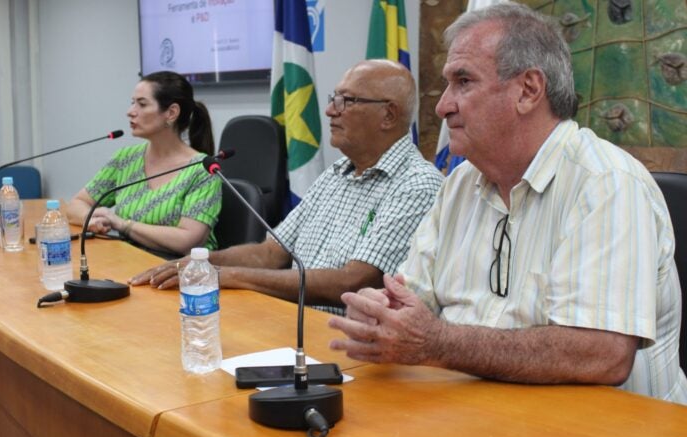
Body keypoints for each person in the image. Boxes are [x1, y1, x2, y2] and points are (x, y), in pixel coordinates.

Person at [328, 2, 687, 404]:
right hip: (485, 414)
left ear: (528, 90)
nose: (442, 105)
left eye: (463, 81)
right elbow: (414, 297)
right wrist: (384, 311)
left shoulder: (606, 183)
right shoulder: (460, 184)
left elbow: (601, 354)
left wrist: (438, 342)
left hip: (613, 432)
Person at [129, 59, 443, 315]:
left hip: (343, 343)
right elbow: (271, 252)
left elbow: (353, 282)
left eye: (346, 101)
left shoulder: (416, 185)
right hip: (285, 320)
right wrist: (202, 262)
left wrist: (228, 276)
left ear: (388, 114)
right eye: (334, 99)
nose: (330, 111)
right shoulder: (336, 173)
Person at [67, 71, 221, 255]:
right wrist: (89, 219)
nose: (130, 112)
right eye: (133, 103)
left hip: (180, 272)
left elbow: (187, 240)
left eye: (142, 104)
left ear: (171, 113)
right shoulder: (125, 159)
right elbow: (77, 203)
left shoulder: (203, 170)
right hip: (129, 261)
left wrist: (123, 224)